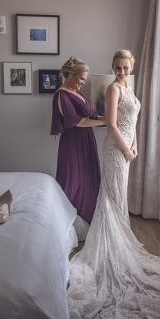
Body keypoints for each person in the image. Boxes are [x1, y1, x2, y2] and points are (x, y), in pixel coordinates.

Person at [66, 50, 160, 319]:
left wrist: (137, 144)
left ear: (132, 67)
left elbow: (134, 123)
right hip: (115, 151)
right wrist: (126, 149)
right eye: (117, 66)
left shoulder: (129, 86)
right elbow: (113, 124)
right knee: (113, 197)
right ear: (112, 67)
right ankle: (111, 251)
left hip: (127, 148)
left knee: (117, 197)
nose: (121, 70)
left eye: (125, 66)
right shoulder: (113, 88)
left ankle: (118, 243)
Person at [51, 56, 106, 225]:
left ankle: (89, 221)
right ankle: (67, 223)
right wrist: (104, 122)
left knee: (89, 179)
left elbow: (89, 115)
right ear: (71, 75)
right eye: (81, 79)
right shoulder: (61, 95)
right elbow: (76, 121)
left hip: (86, 141)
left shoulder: (77, 93)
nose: (83, 82)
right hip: (72, 144)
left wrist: (108, 118)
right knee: (72, 181)